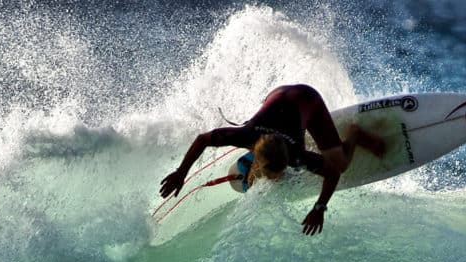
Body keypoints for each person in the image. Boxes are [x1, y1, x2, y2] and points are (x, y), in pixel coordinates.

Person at [159, 84, 385, 236]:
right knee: (278, 162)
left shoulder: (297, 155)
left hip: (309, 100)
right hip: (278, 96)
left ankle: (356, 135)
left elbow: (334, 172)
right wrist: (181, 173)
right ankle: (302, 134)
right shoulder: (246, 135)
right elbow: (202, 139)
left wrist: (320, 207)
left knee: (342, 162)